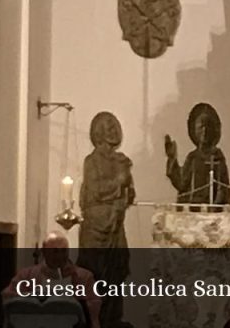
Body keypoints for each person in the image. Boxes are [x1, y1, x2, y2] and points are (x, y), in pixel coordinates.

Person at [78, 111, 135, 328]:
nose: (113, 130)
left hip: (115, 226)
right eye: (107, 126)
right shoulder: (91, 161)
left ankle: (112, 319)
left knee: (117, 274)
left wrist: (127, 188)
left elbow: (130, 195)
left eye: (114, 125)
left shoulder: (122, 161)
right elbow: (96, 190)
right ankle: (93, 320)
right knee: (94, 275)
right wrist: (118, 181)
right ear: (98, 132)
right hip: (96, 229)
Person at [2, 231, 102, 328]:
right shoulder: (27, 275)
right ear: (44, 252)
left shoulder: (84, 277)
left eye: (64, 251)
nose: (60, 256)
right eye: (55, 251)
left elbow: (94, 305)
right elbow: (8, 298)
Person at [165, 103, 230, 205]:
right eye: (201, 127)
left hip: (212, 210)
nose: (204, 131)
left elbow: (222, 187)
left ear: (213, 130)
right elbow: (182, 183)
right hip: (193, 208)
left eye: (208, 127)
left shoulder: (217, 156)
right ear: (194, 130)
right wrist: (172, 158)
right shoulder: (192, 157)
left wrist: (215, 205)